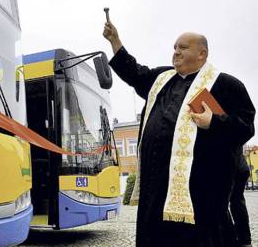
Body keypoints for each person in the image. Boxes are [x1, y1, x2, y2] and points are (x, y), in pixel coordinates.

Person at [103, 21, 255, 247]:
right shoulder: (162, 79)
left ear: (201, 54)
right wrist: (115, 41)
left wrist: (213, 121)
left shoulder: (226, 85)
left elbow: (245, 127)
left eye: (183, 47)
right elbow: (135, 73)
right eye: (175, 47)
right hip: (156, 190)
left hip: (201, 193)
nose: (176, 51)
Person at [230, 155, 252, 247]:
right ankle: (245, 240)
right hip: (241, 165)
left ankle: (228, 238)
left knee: (221, 204)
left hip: (229, 166)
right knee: (238, 202)